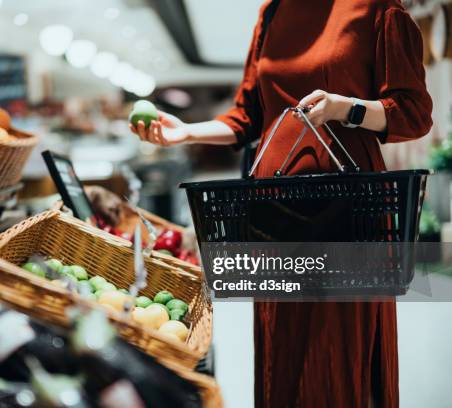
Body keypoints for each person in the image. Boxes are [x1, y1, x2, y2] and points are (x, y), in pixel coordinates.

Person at [130, 0, 432, 406]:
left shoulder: (375, 9)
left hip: (347, 208)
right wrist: (185, 132)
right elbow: (246, 117)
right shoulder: (272, 12)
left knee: (338, 347)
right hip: (272, 208)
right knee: (283, 342)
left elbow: (413, 113)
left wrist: (347, 108)